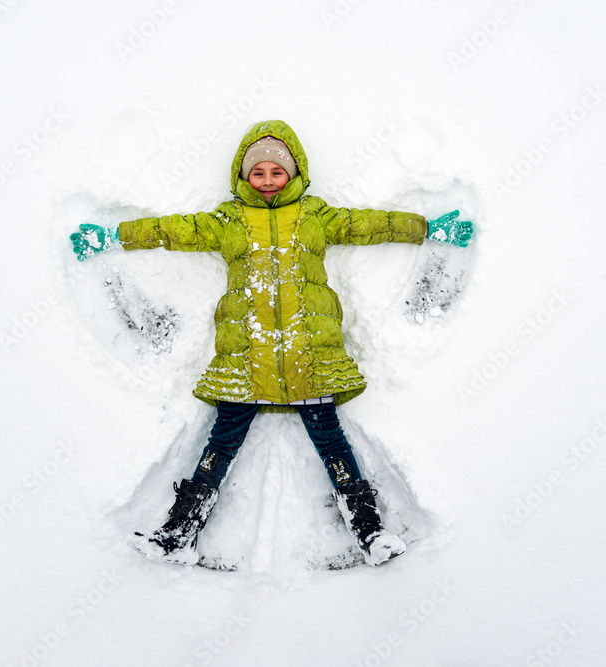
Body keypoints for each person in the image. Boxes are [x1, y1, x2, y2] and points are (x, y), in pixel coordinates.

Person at [70, 120, 472, 566]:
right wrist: (112, 237)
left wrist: (427, 228)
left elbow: (370, 225)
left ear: (294, 172)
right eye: (256, 173)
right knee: (220, 443)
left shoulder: (317, 215)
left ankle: (371, 531)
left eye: (275, 172)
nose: (266, 181)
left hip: (309, 356)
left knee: (332, 443)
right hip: (245, 356)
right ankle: (178, 532)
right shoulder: (228, 221)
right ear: (243, 177)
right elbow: (172, 230)